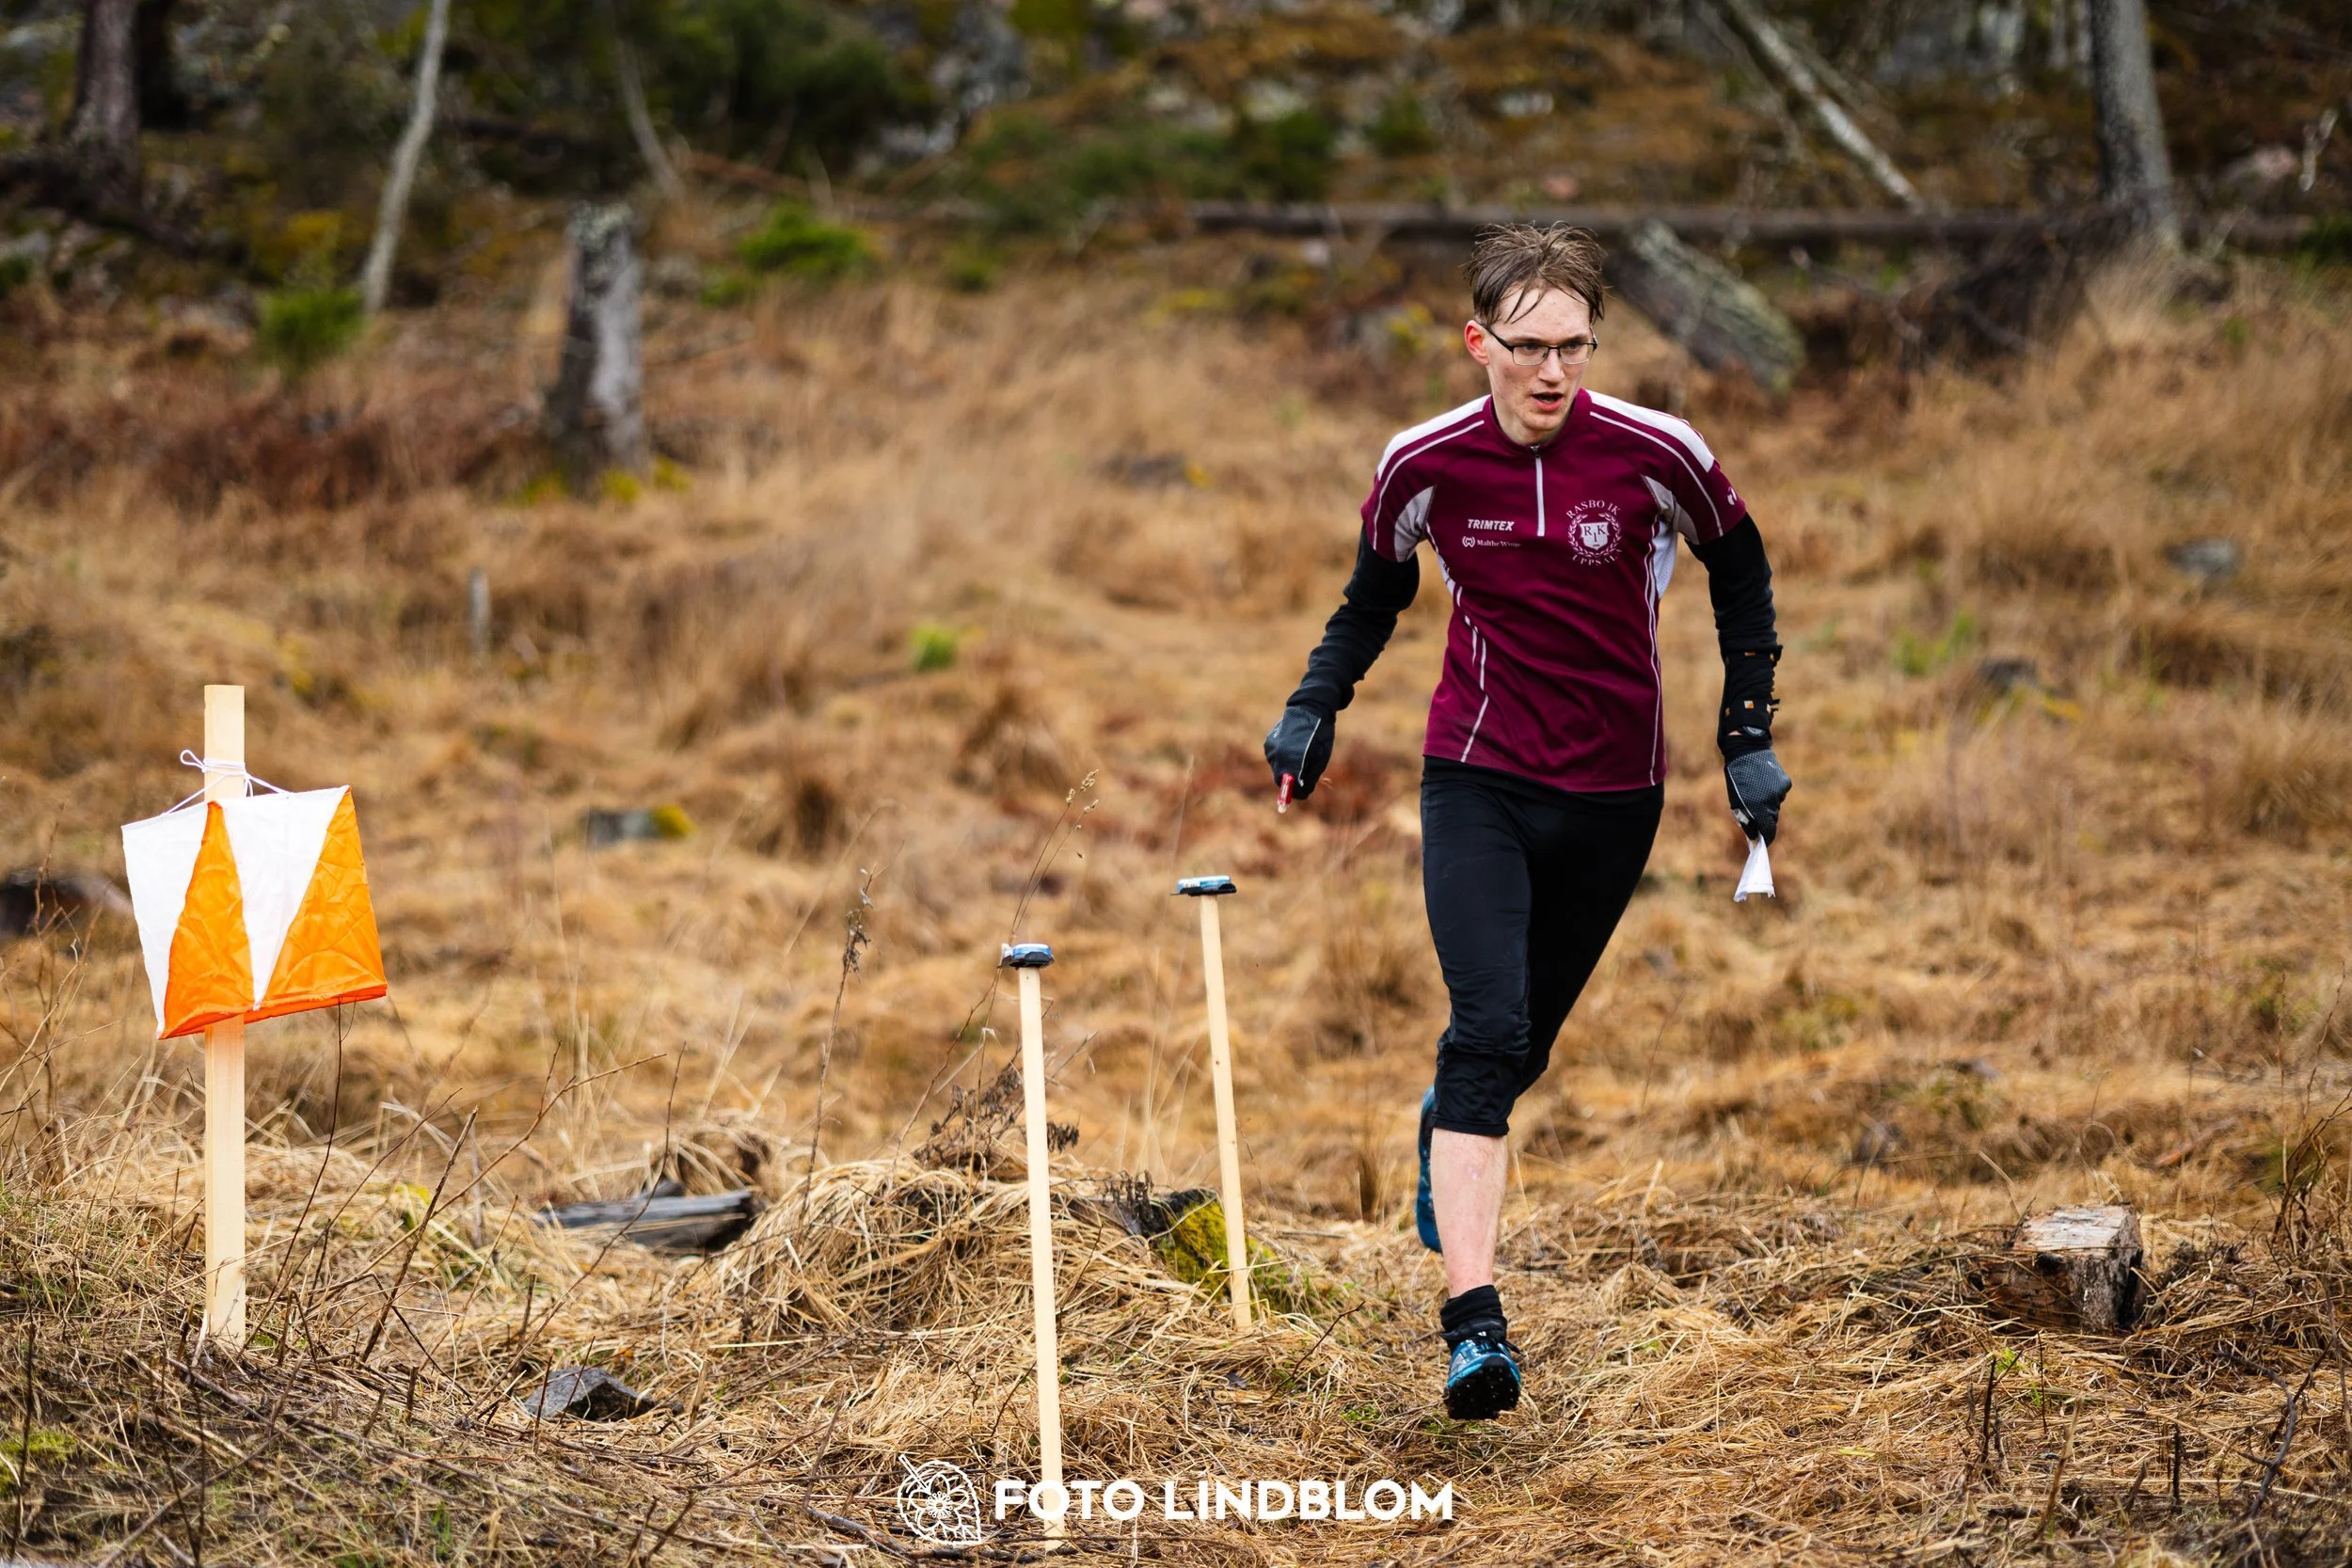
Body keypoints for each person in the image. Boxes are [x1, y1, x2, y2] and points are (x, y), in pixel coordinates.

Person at [1263, 224, 1790, 1421]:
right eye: (1529, 348)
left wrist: (1746, 733)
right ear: (1478, 343)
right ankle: (1475, 1329)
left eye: (1574, 345)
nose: (1554, 372)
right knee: (1487, 1032)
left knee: (1514, 1050)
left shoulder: (1661, 453)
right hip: (1476, 775)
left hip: (1614, 795)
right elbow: (1372, 598)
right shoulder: (1425, 464)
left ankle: (1445, 1124)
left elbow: (1742, 572)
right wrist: (1311, 706)